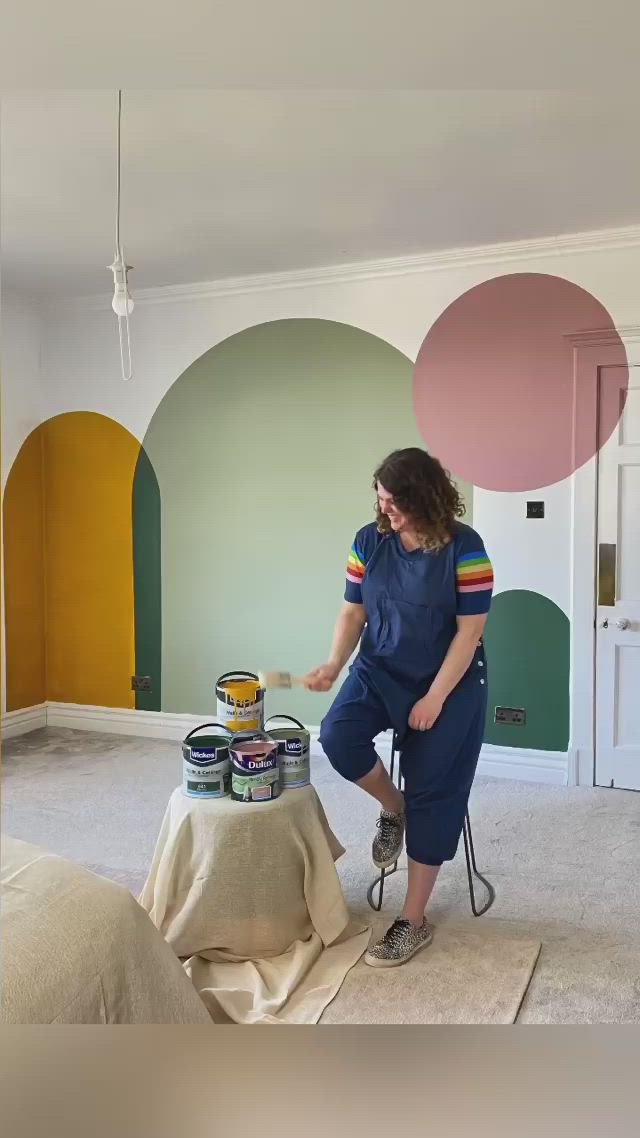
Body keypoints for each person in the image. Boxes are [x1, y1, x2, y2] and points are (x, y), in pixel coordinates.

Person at [304, 447, 493, 968]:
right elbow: (354, 609)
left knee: (435, 787)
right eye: (380, 499)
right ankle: (394, 806)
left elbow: (470, 631)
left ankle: (412, 920)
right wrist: (334, 662)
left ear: (426, 499)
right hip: (381, 668)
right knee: (338, 735)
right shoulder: (369, 541)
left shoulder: (465, 548)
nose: (384, 510)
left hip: (449, 681)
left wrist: (435, 697)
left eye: (394, 502)